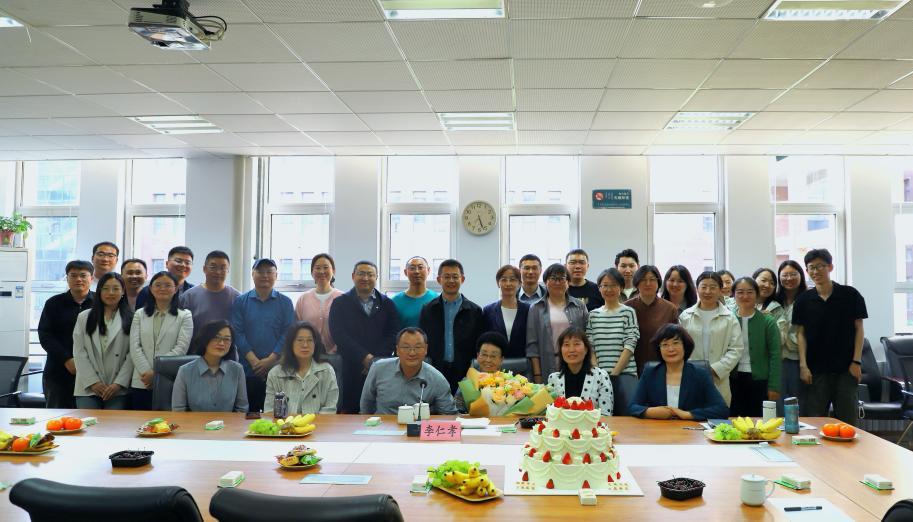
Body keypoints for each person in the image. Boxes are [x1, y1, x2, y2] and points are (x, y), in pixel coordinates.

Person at [793, 249, 867, 425]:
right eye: (811, 267)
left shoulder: (850, 295)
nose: (816, 271)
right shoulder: (803, 300)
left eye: (820, 266)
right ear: (807, 271)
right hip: (816, 371)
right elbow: (800, 334)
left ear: (830, 267)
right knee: (814, 422)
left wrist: (856, 362)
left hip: (846, 370)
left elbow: (859, 329)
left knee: (847, 423)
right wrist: (803, 366)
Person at [329, 260, 401, 413]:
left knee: (380, 411)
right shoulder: (340, 303)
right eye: (361, 274)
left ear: (376, 277)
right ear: (353, 276)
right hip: (350, 366)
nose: (365, 278)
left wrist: (374, 360)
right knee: (351, 412)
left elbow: (393, 334)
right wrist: (364, 357)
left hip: (381, 366)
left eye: (370, 274)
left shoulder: (388, 304)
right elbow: (338, 334)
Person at [232, 258, 295, 413]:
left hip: (277, 368)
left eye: (269, 272)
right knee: (249, 416)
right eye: (260, 272)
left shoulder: (285, 302)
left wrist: (270, 360)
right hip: (248, 370)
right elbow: (237, 332)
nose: (265, 275)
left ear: (276, 275)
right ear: (252, 274)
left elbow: (288, 333)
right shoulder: (240, 302)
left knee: (278, 414)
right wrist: (254, 361)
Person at [629, 324, 729, 421]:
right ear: (659, 349)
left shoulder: (700, 374)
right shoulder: (650, 373)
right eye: (665, 344)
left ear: (685, 346)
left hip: (690, 430)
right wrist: (651, 412)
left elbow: (722, 410)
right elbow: (632, 406)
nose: (671, 349)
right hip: (658, 429)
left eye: (676, 343)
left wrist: (687, 415)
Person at [129, 271, 193, 410]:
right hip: (142, 380)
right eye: (158, 285)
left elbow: (181, 348)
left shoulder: (185, 315)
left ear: (175, 289)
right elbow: (134, 346)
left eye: (168, 285)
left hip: (169, 379)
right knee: (140, 421)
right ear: (151, 289)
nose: (162, 288)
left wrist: (157, 373)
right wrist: (147, 373)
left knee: (166, 421)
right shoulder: (140, 314)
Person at [678, 271, 744, 405]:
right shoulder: (685, 316)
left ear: (720, 290)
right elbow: (679, 346)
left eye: (713, 287)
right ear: (697, 289)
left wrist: (716, 369)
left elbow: (736, 349)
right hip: (691, 376)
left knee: (717, 414)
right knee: (690, 414)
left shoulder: (729, 318)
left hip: (719, 378)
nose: (708, 291)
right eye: (704, 287)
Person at [419, 259, 484, 390]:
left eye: (455, 277)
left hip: (466, 370)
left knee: (465, 402)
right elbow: (423, 340)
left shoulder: (475, 311)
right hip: (435, 369)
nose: (451, 281)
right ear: (439, 279)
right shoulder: (428, 309)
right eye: (446, 277)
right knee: (436, 402)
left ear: (462, 279)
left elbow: (479, 344)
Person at [38, 260, 95, 408]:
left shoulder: (99, 303)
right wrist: (66, 359)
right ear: (67, 278)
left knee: (89, 416)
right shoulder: (53, 303)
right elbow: (45, 335)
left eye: (83, 275)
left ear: (92, 278)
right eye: (73, 275)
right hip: (58, 371)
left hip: (93, 371)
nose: (78, 279)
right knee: (57, 415)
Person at [360, 327, 456, 415]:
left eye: (417, 347)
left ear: (426, 349)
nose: (412, 353)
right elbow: (366, 407)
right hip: (383, 426)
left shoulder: (437, 379)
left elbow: (449, 415)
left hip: (418, 426)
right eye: (406, 347)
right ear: (397, 350)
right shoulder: (378, 369)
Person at [72, 272, 133, 409]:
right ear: (99, 291)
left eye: (116, 288)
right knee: (88, 422)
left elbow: (132, 355)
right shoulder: (84, 317)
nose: (110, 293)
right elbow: (79, 352)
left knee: (114, 423)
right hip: (88, 386)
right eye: (105, 288)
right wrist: (93, 382)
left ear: (123, 291)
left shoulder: (132, 318)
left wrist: (119, 383)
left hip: (117, 387)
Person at [527, 263, 588, 384]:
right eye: (553, 278)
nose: (557, 282)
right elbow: (532, 345)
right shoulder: (536, 308)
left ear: (568, 282)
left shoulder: (579, 306)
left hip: (576, 363)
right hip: (547, 364)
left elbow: (587, 337)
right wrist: (537, 374)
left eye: (562, 278)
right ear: (545, 282)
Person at [729, 277, 782, 417]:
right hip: (732, 378)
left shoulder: (768, 321)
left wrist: (774, 386)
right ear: (733, 294)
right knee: (734, 418)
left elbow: (775, 355)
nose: (745, 296)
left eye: (750, 292)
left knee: (758, 420)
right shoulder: (728, 319)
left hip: (759, 380)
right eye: (740, 292)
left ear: (757, 294)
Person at [172, 320, 248, 413]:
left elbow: (242, 409)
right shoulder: (185, 371)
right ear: (205, 339)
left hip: (228, 423)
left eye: (227, 339)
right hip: (196, 422)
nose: (222, 343)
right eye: (216, 337)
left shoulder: (237, 370)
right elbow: (178, 411)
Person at [265, 322, 339, 415]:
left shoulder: (326, 371)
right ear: (291, 344)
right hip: (285, 424)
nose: (305, 345)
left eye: (310, 340)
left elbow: (330, 410)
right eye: (300, 340)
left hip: (319, 423)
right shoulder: (276, 373)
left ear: (315, 344)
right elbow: (269, 411)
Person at [625, 265, 679, 376]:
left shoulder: (670, 309)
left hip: (662, 367)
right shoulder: (626, 308)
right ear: (636, 283)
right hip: (631, 368)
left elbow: (674, 341)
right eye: (643, 280)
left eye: (652, 279)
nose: (648, 283)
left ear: (658, 282)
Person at [547, 327, 614, 415]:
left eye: (576, 344)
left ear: (586, 349)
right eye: (566, 345)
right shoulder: (553, 379)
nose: (571, 350)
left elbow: (606, 415)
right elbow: (551, 414)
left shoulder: (601, 376)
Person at [587, 268, 639, 378]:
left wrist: (614, 374)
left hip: (625, 375)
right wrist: (599, 374)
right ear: (599, 288)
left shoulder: (628, 312)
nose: (609, 289)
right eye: (605, 285)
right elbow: (590, 347)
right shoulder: (592, 315)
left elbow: (630, 344)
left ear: (621, 288)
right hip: (599, 377)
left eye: (614, 285)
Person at [180, 250, 241, 335]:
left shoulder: (237, 297)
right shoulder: (188, 297)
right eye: (213, 267)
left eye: (223, 268)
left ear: (228, 271)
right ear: (204, 269)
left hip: (227, 343)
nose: (218, 272)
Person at [294, 253, 344, 353]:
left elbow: (347, 329)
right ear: (312, 272)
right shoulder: (303, 299)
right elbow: (297, 330)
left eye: (326, 267)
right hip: (308, 355)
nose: (322, 271)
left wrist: (334, 351)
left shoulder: (343, 298)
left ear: (333, 271)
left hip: (338, 355)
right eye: (317, 268)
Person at [775, 260, 807, 411]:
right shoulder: (774, 300)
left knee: (799, 402)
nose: (789, 278)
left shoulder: (808, 298)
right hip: (778, 358)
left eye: (793, 274)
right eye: (785, 275)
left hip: (799, 358)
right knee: (778, 403)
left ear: (801, 275)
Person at [481, 264, 529, 359]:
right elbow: (484, 340)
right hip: (495, 362)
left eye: (512, 279)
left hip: (522, 362)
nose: (508, 284)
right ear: (498, 283)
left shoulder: (528, 310)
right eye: (503, 280)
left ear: (519, 283)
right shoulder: (488, 311)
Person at [454, 332, 508, 413]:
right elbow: (457, 411)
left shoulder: (510, 383)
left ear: (501, 359)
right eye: (484, 354)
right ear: (478, 355)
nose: (488, 360)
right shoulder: (468, 382)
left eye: (493, 356)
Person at [391, 256, 439, 328]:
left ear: (428, 270)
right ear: (405, 272)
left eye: (420, 267)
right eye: (412, 268)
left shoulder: (437, 299)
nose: (417, 271)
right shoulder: (395, 301)